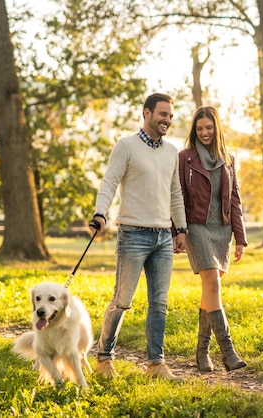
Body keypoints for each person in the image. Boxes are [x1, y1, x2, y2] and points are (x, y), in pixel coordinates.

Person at [90, 93, 188, 381]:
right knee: (121, 301)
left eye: (170, 115)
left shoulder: (172, 151)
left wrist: (180, 229)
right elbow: (109, 182)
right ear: (146, 113)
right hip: (133, 234)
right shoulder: (126, 146)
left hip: (163, 237)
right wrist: (100, 213)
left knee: (159, 304)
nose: (167, 120)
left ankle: (156, 365)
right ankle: (104, 359)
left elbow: (175, 193)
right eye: (162, 114)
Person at [178, 105, 248, 372]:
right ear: (194, 131)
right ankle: (228, 352)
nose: (204, 133)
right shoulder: (184, 158)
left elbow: (235, 201)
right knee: (213, 287)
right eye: (199, 129)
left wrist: (240, 238)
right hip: (196, 228)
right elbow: (180, 197)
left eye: (208, 128)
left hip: (222, 231)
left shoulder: (229, 159)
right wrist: (180, 231)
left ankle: (201, 352)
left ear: (216, 128)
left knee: (210, 290)